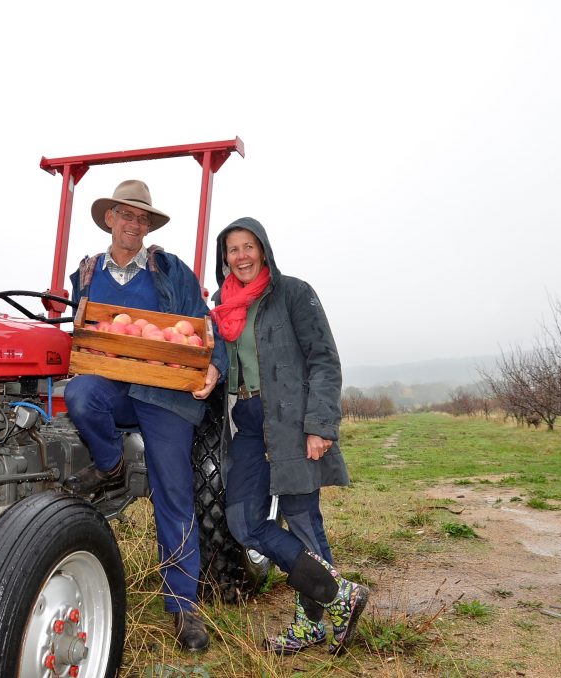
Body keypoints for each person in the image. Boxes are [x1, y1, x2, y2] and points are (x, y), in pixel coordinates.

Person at [62, 179, 227, 652]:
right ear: (109, 218)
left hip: (164, 394)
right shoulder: (87, 273)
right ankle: (111, 464)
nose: (134, 224)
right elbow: (86, 333)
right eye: (125, 214)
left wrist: (214, 367)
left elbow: (204, 327)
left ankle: (183, 608)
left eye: (142, 218)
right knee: (80, 395)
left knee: (173, 492)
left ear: (147, 226)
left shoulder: (170, 269)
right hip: (112, 386)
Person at [210, 216, 368, 656]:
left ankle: (310, 623)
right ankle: (341, 595)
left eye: (248, 246)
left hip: (291, 419)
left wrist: (319, 426)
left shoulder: (294, 293)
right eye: (232, 249)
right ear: (223, 257)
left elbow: (324, 360)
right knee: (243, 521)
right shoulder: (221, 307)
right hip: (245, 420)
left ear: (263, 249)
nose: (241, 256)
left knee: (301, 520)